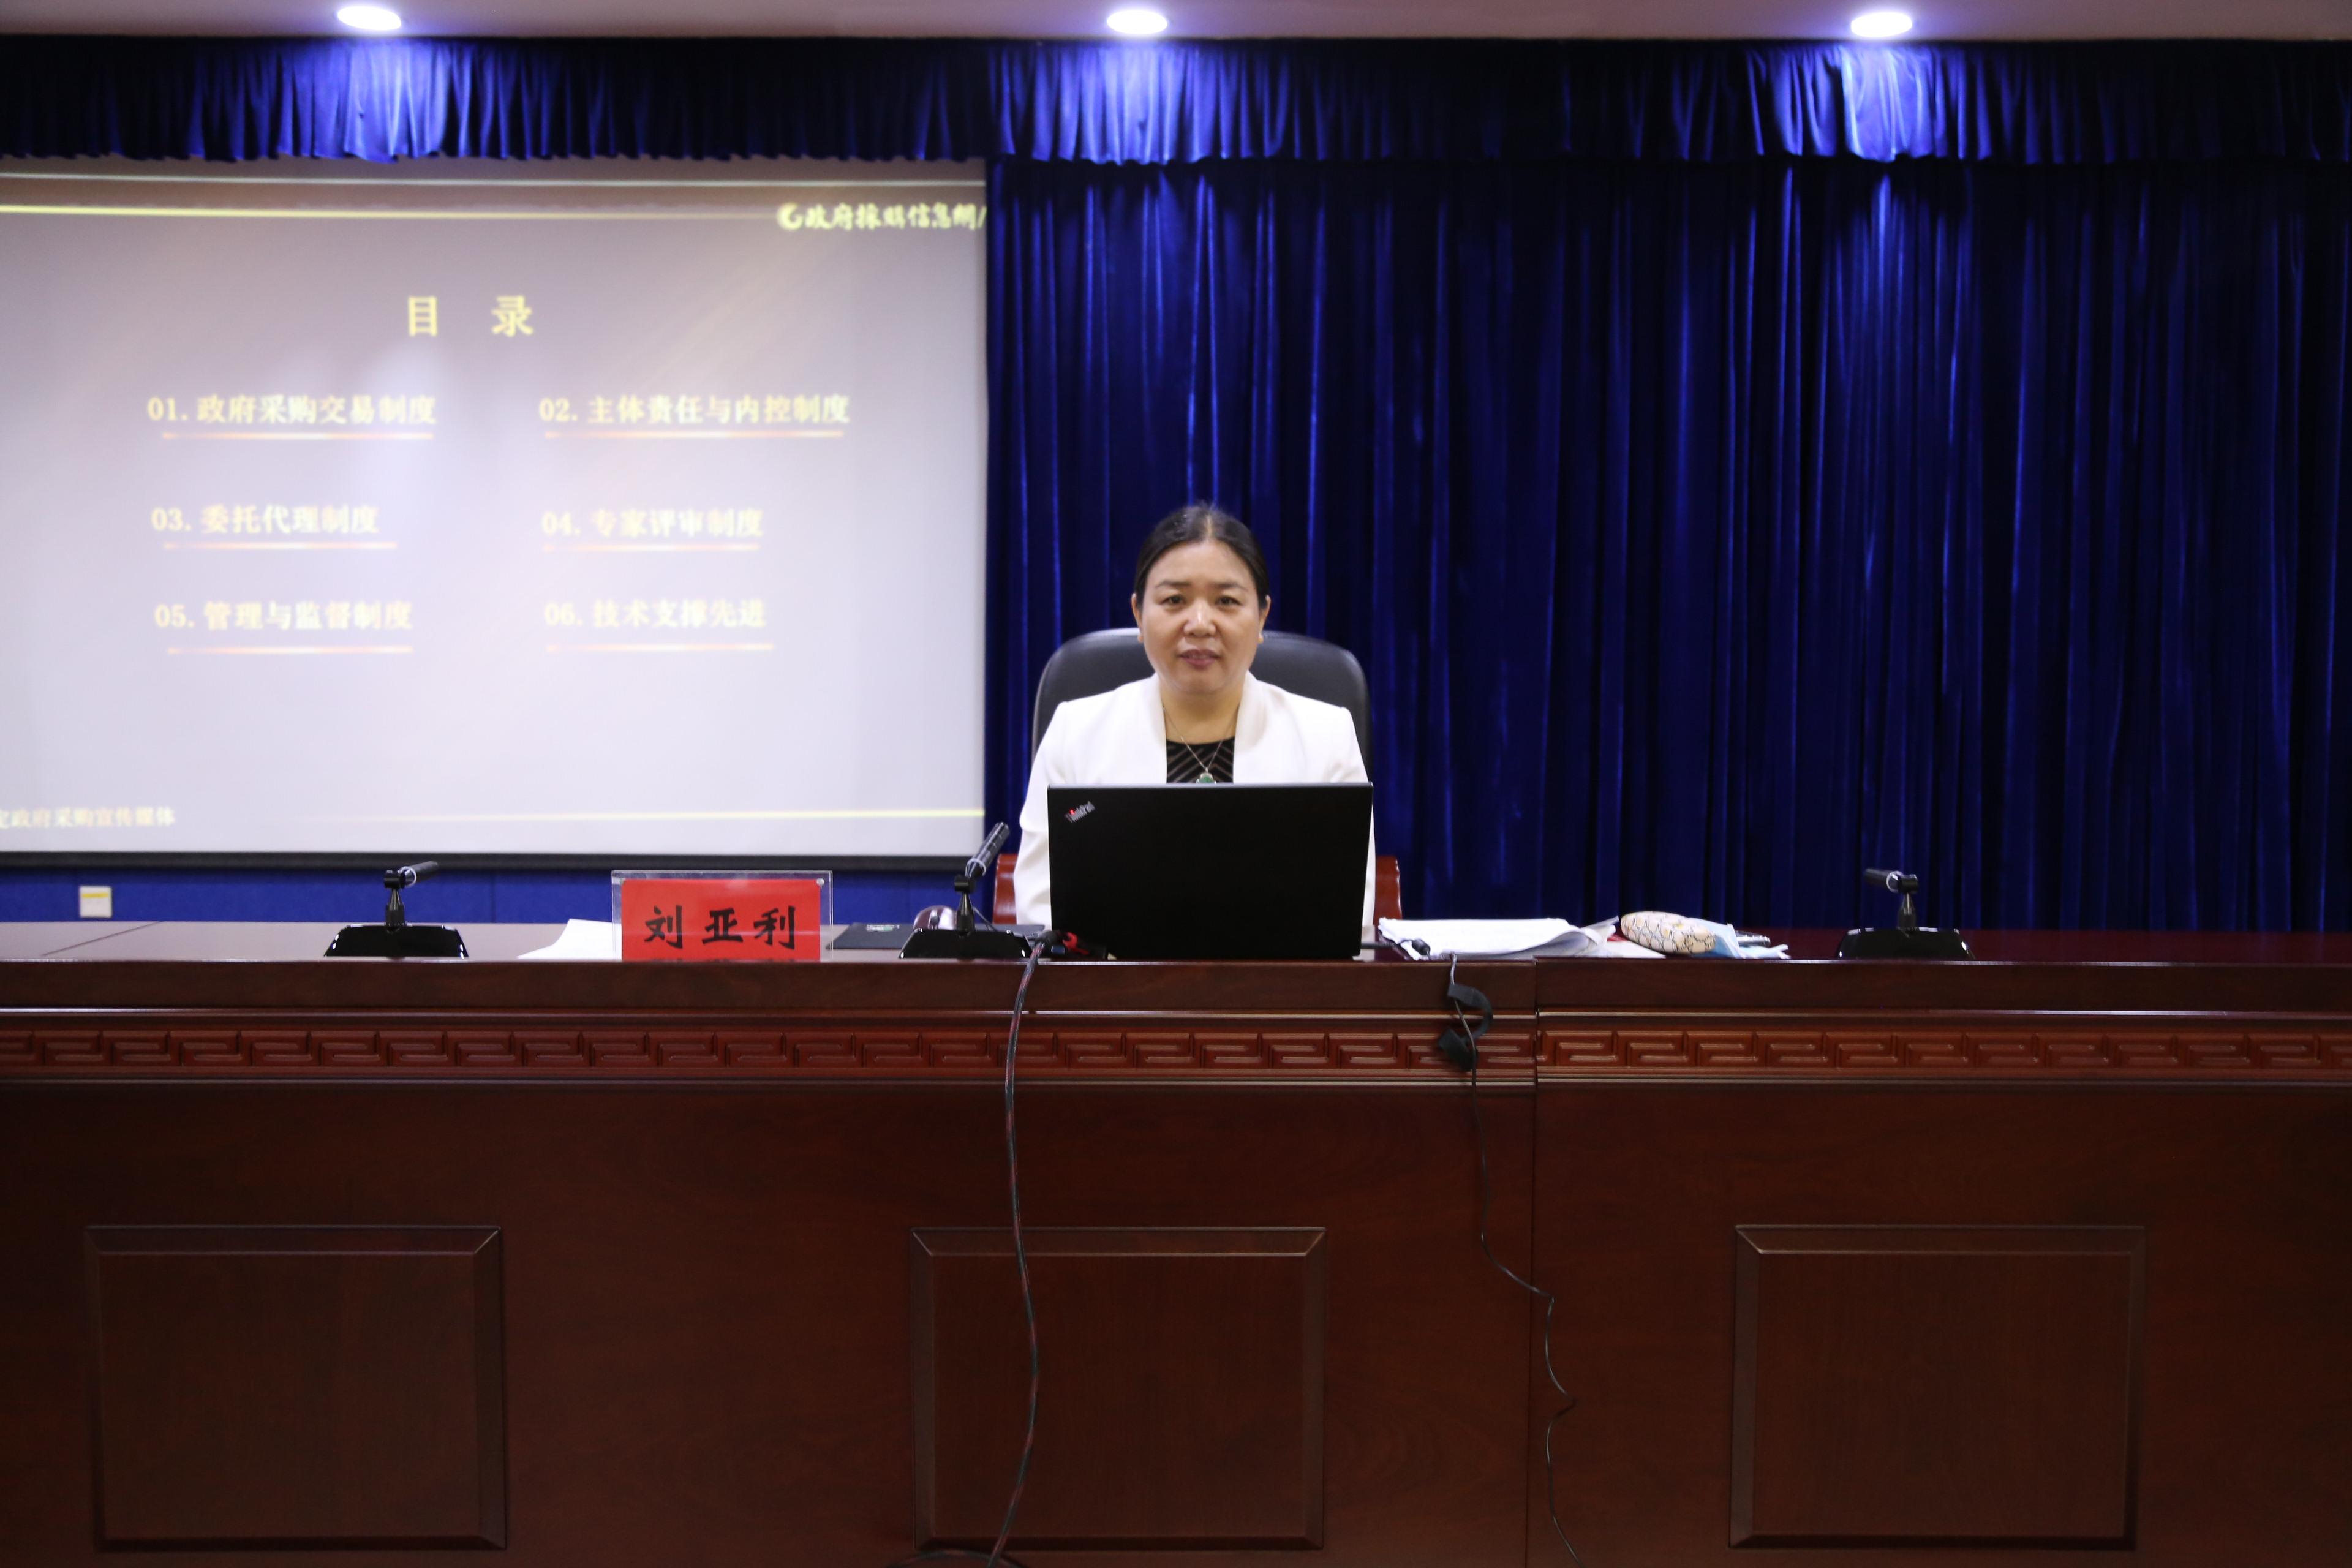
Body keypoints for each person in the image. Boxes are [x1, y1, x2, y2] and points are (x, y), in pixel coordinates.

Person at [1011, 503, 1375, 933]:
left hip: (1278, 977)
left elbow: (1348, 914)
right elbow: (1041, 907)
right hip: (1116, 976)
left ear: (1261, 616)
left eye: (1226, 601)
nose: (1200, 624)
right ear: (1138, 614)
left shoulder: (1327, 736)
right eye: (1174, 600)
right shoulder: (1075, 732)